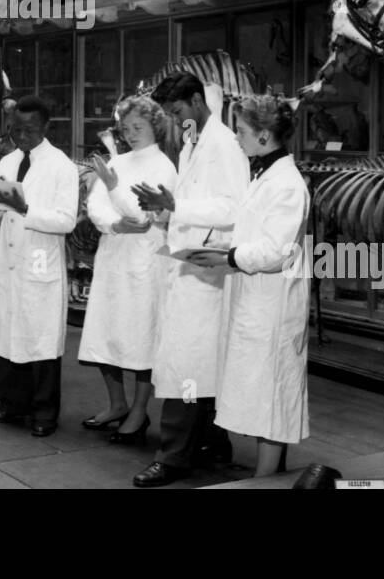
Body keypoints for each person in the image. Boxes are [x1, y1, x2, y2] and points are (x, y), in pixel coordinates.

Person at [130, 73, 250, 488]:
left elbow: (234, 207)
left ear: (197, 101)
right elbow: (191, 204)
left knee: (187, 368)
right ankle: (211, 445)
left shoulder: (225, 145)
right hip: (188, 267)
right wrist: (164, 209)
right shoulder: (193, 143)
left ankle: (173, 456)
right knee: (198, 368)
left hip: (206, 273)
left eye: (178, 111)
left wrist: (177, 203)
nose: (175, 120)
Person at [188, 94, 311, 477]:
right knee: (259, 393)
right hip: (253, 300)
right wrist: (223, 248)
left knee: (272, 394)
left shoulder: (288, 185)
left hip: (272, 307)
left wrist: (229, 257)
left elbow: (277, 251)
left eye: (241, 131)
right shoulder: (262, 176)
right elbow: (256, 234)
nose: (236, 138)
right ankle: (266, 473)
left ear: (263, 135)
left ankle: (267, 478)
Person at [78, 95, 176, 444]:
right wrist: (115, 225)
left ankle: (138, 412)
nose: (131, 134)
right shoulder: (117, 160)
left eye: (138, 128)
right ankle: (116, 404)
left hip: (144, 263)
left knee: (140, 338)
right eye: (126, 128)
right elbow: (96, 207)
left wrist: (115, 190)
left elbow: (144, 215)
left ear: (155, 126)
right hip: (114, 254)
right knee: (108, 333)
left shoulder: (163, 166)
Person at [0, 95, 79, 437]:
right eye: (16, 129)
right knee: (8, 336)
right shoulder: (8, 160)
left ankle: (44, 413)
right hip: (9, 259)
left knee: (39, 341)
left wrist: (24, 209)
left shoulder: (61, 166)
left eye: (29, 129)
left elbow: (66, 221)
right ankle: (11, 405)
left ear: (45, 127)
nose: (22, 136)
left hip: (39, 260)